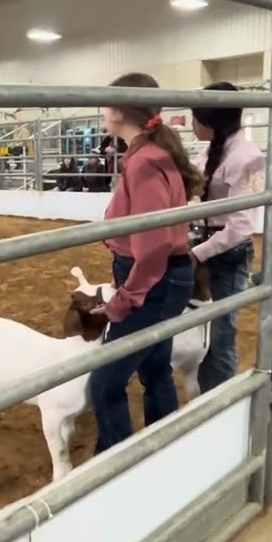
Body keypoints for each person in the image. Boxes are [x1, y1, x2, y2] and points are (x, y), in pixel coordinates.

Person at [88, 73, 205, 452]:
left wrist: (127, 297)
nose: (103, 112)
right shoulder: (150, 154)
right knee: (155, 367)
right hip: (162, 277)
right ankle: (165, 448)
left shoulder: (144, 161)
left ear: (120, 110)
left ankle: (118, 461)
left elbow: (152, 244)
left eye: (107, 105)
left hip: (152, 279)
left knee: (105, 380)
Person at [191, 81, 266, 394]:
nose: (192, 124)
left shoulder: (250, 158)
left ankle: (220, 400)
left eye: (195, 117)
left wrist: (198, 253)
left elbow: (242, 225)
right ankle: (200, 389)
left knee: (222, 332)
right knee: (194, 324)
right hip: (202, 242)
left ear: (210, 121)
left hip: (227, 249)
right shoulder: (210, 149)